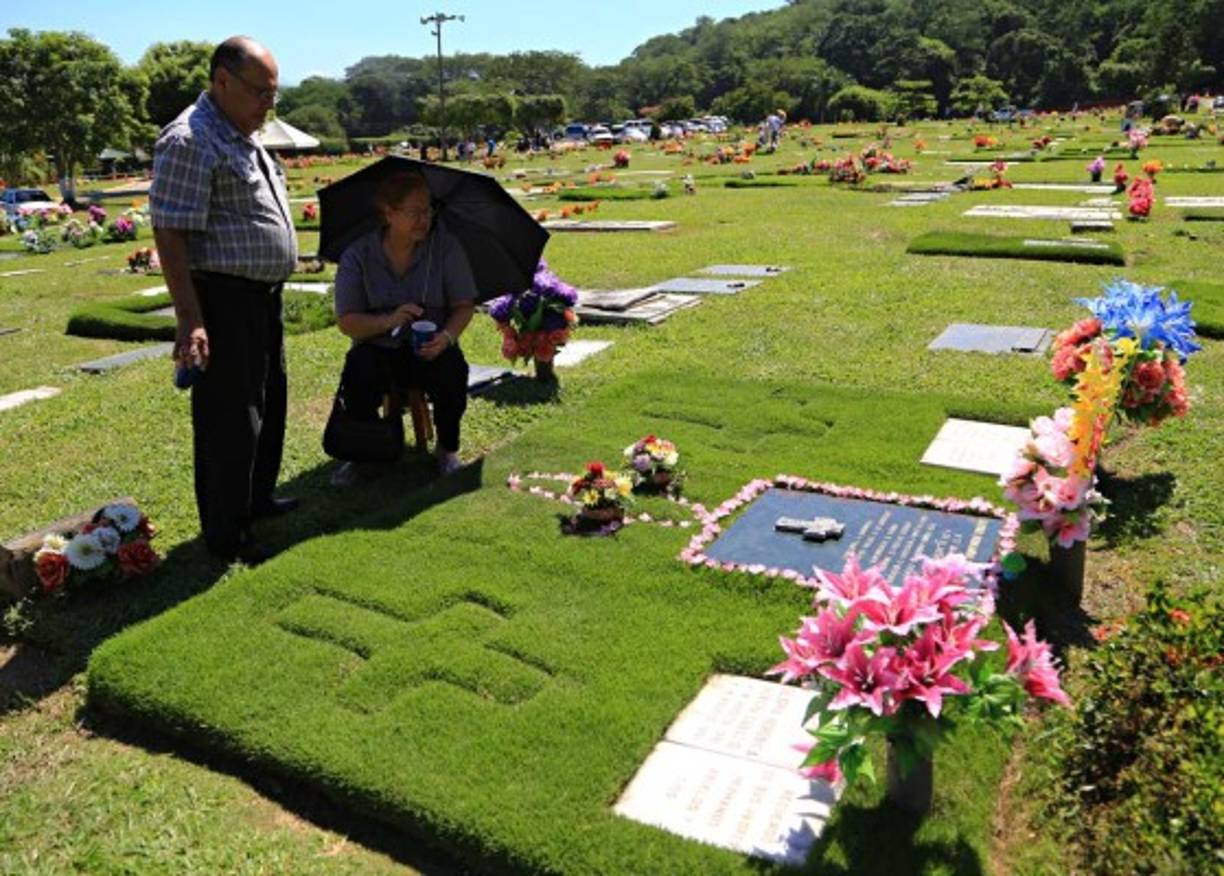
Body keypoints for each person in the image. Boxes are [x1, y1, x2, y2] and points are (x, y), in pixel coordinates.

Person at [150, 36, 298, 565]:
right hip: (224, 299)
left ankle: (257, 500)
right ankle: (228, 534)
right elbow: (170, 231)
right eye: (261, 92)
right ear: (222, 81)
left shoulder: (242, 135)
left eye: (274, 93)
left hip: (261, 297)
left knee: (268, 403)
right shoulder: (190, 139)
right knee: (230, 422)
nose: (268, 104)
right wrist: (190, 317)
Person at [331, 171, 475, 484]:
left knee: (452, 368)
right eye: (415, 212)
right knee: (358, 368)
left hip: (430, 346)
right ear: (389, 213)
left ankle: (447, 449)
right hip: (378, 346)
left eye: (428, 210)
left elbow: (464, 305)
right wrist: (388, 321)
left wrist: (447, 337)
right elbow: (347, 321)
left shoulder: (445, 248)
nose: (425, 219)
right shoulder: (358, 255)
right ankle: (361, 454)